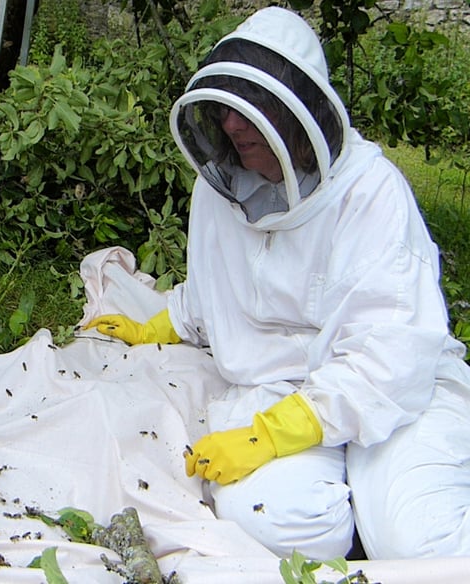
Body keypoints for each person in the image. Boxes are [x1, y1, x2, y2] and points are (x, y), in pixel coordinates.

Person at [86, 6, 470, 561]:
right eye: (226, 110)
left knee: (423, 543)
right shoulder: (219, 192)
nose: (233, 125)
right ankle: (358, 511)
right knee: (280, 524)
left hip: (396, 396)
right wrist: (157, 325)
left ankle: (381, 504)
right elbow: (216, 290)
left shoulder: (370, 192)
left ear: (302, 112)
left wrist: (273, 434)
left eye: (253, 109)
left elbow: (394, 349)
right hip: (272, 390)